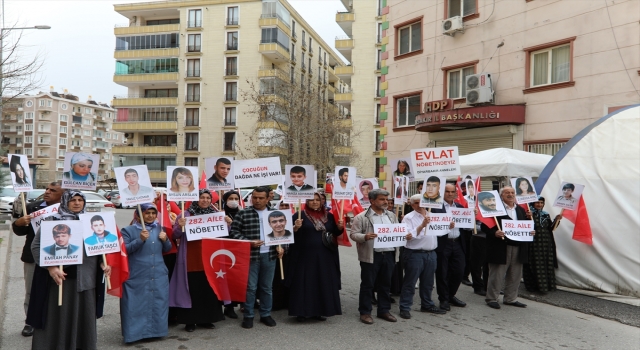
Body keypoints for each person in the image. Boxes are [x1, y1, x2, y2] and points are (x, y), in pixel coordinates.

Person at [28, 190, 111, 350]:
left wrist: (103, 264)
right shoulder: (52, 221)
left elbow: (100, 249)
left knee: (83, 319)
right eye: (73, 200)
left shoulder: (91, 222)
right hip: (59, 283)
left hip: (85, 282)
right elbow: (36, 246)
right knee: (57, 318)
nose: (77, 203)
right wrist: (51, 267)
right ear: (65, 201)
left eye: (80, 200)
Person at [350, 189, 412, 325]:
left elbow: (397, 232)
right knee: (368, 285)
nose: (386, 202)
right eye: (382, 199)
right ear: (372, 201)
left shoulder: (391, 216)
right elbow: (353, 234)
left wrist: (405, 235)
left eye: (386, 199)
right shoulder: (361, 217)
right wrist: (365, 236)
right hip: (372, 255)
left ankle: (384, 310)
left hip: (389, 254)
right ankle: (365, 312)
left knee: (386, 284)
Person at [12, 181, 62, 337]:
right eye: (47, 189)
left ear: (62, 195)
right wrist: (19, 223)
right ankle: (30, 322)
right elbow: (20, 231)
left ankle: (56, 322)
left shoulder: (69, 209)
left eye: (52, 190)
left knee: (57, 290)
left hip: (60, 257)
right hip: (34, 256)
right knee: (31, 291)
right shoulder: (33, 207)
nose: (47, 191)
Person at [229, 187, 284, 329]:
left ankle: (265, 314)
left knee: (266, 287)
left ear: (268, 199)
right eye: (255, 197)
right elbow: (234, 232)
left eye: (260, 198)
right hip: (250, 256)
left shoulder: (276, 214)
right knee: (250, 288)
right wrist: (248, 242)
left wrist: (282, 247)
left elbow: (283, 234)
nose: (257, 200)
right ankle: (248, 316)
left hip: (270, 255)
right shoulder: (243, 214)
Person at [170, 189, 225, 332]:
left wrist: (228, 223)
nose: (205, 200)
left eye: (208, 197)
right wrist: (180, 225)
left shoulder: (215, 215)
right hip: (191, 258)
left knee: (207, 290)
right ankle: (190, 321)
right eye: (202, 197)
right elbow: (175, 235)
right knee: (192, 289)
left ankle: (206, 319)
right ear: (196, 199)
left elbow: (224, 232)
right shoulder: (185, 214)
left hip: (209, 259)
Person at [286, 192, 344, 322]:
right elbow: (288, 233)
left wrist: (340, 228)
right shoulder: (299, 215)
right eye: (311, 200)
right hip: (304, 256)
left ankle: (320, 311)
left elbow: (335, 232)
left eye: (317, 200)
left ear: (322, 201)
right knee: (304, 282)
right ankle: (301, 312)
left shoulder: (329, 216)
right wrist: (296, 227)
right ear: (306, 202)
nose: (315, 202)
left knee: (322, 281)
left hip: (325, 256)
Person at [120, 203, 172, 343]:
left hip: (158, 273)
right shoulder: (128, 230)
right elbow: (124, 250)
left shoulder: (159, 228)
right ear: (139, 214)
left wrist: (165, 239)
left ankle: (156, 332)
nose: (150, 216)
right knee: (135, 304)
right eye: (147, 213)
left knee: (158, 302)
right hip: (137, 273)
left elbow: (167, 249)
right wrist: (140, 240)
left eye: (153, 213)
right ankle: (134, 334)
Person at [482, 186, 531, 309]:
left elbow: (524, 227)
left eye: (512, 192)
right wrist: (494, 233)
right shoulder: (494, 209)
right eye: (507, 192)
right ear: (501, 195)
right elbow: (484, 226)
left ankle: (511, 298)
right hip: (501, 246)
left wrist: (530, 230)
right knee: (497, 274)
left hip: (518, 246)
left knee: (515, 275)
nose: (510, 195)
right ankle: (492, 298)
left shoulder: (521, 210)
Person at [398, 195, 446, 319]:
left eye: (422, 202)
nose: (420, 205)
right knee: (410, 282)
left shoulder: (432, 214)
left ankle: (427, 304)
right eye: (417, 203)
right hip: (415, 254)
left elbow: (440, 231)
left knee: (428, 282)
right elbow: (409, 236)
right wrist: (422, 225)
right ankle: (404, 307)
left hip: (431, 253)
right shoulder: (408, 218)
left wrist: (448, 226)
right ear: (412, 205)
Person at [432, 184, 469, 311]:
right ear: (442, 193)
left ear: (456, 193)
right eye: (447, 191)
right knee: (442, 272)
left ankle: (451, 295)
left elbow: (467, 227)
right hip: (443, 242)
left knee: (459, 271)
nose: (449, 194)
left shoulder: (460, 207)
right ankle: (443, 299)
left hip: (458, 242)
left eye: (452, 191)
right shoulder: (435, 207)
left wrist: (471, 218)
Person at [523, 197, 560, 293]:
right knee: (536, 263)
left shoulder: (545, 214)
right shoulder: (528, 213)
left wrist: (557, 220)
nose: (539, 204)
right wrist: (527, 218)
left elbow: (551, 228)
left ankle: (548, 286)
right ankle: (536, 287)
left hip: (546, 242)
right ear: (533, 203)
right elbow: (523, 227)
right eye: (537, 202)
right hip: (534, 242)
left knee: (547, 262)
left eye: (541, 203)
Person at [221, 190, 242, 319]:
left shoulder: (241, 213)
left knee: (235, 278)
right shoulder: (220, 213)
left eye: (236, 198)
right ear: (225, 200)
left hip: (237, 249)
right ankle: (223, 305)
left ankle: (231, 306)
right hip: (223, 250)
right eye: (230, 198)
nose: (233, 200)